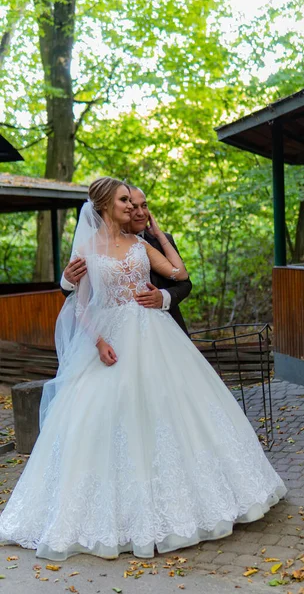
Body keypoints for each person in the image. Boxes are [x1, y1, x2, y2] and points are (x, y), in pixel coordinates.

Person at [0, 177, 286, 561]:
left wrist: (158, 236)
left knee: (174, 410)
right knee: (110, 420)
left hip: (156, 335)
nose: (132, 208)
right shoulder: (86, 250)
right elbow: (78, 302)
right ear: (104, 206)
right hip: (112, 339)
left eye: (133, 202)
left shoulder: (140, 243)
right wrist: (99, 341)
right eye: (123, 201)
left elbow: (179, 275)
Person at [61, 185, 192, 334]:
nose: (139, 212)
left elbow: (184, 281)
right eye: (130, 204)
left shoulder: (157, 241)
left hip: (160, 326)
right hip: (113, 330)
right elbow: (77, 301)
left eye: (144, 206)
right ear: (108, 205)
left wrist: (163, 297)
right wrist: (67, 280)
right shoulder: (90, 249)